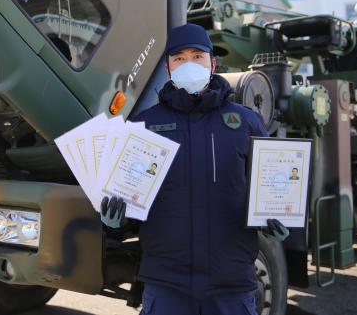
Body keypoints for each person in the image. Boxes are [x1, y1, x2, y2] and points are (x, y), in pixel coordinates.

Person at [100, 23, 289, 315]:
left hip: (231, 283)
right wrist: (116, 220)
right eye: (179, 58)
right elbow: (131, 198)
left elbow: (267, 190)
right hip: (166, 284)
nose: (189, 64)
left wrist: (273, 217)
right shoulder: (144, 126)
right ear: (168, 67)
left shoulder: (245, 123)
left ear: (212, 63)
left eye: (197, 56)